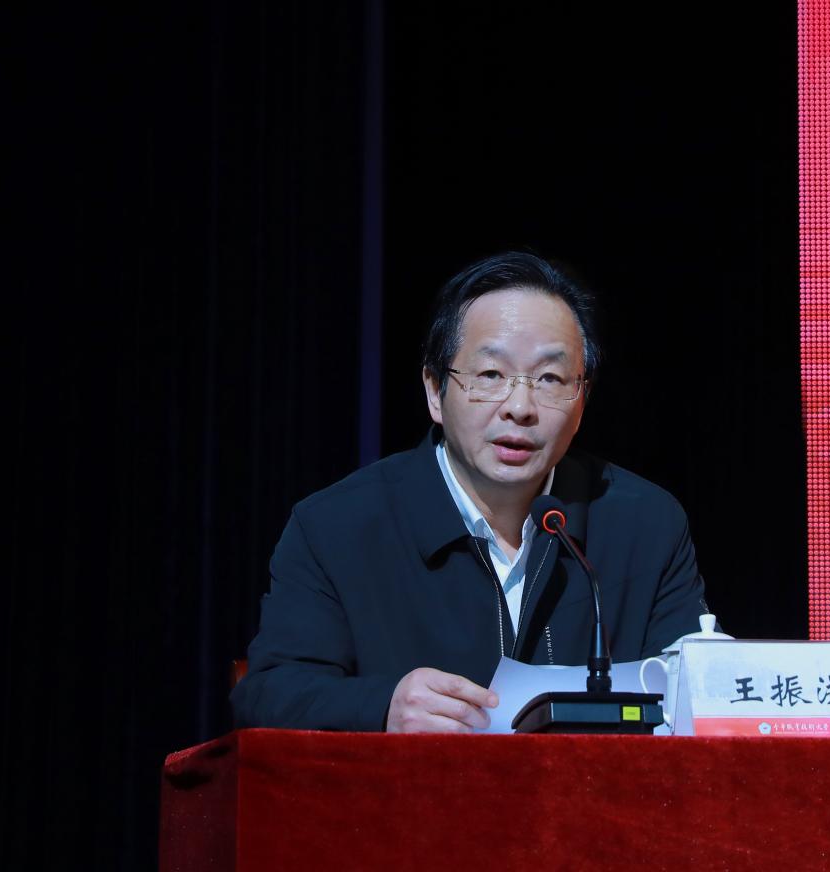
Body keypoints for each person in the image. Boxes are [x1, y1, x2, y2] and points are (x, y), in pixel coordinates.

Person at [230, 251, 710, 733]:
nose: (520, 407)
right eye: (490, 376)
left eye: (549, 379)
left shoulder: (646, 524)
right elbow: (270, 693)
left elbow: (699, 695)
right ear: (435, 391)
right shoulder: (337, 527)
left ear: (582, 400)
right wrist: (383, 707)